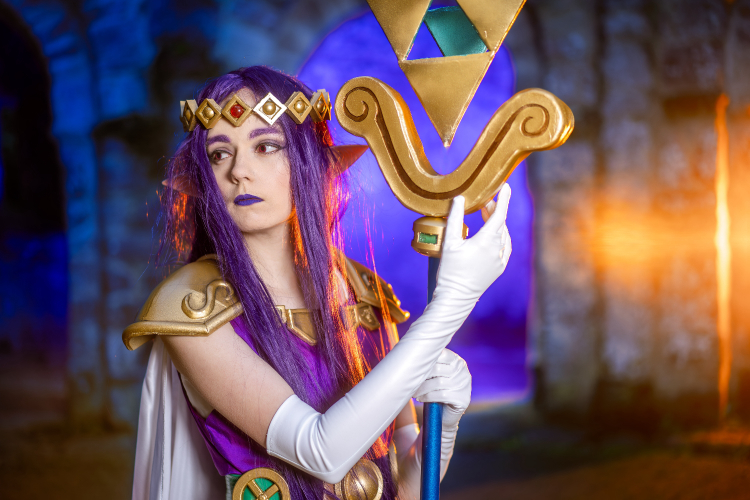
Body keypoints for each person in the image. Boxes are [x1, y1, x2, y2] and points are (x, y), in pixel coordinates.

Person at [123, 66, 512, 500]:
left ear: (310, 161)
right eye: (218, 154)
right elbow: (321, 452)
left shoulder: (364, 295)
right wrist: (453, 302)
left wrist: (446, 428)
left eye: (266, 146)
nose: (239, 172)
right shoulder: (192, 306)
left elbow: (404, 489)